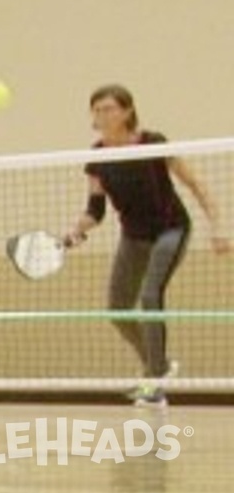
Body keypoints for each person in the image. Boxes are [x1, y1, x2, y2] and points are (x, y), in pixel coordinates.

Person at [65, 84, 227, 407]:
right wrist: (75, 232)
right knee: (118, 310)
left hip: (171, 230)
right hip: (133, 237)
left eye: (108, 108)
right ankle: (161, 364)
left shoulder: (152, 144)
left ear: (126, 112)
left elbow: (195, 184)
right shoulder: (96, 157)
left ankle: (155, 381)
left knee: (151, 295)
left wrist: (218, 227)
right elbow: (95, 211)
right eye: (96, 110)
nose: (101, 115)